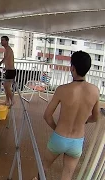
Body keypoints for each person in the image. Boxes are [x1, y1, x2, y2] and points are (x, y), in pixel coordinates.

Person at [33, 51, 100, 180]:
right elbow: (96, 117)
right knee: (67, 176)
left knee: (44, 167)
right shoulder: (95, 91)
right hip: (77, 141)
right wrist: (84, 120)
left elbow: (47, 115)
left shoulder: (62, 89)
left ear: (72, 68)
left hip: (59, 137)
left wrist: (57, 129)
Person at [0, 36, 15, 106]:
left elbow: (6, 58)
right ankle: (7, 101)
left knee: (6, 86)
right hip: (9, 70)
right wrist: (5, 68)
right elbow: (9, 59)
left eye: (3, 40)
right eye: (1, 40)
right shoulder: (6, 49)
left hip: (11, 71)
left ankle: (12, 100)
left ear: (7, 41)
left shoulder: (8, 49)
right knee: (6, 86)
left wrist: (0, 63)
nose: (1, 42)